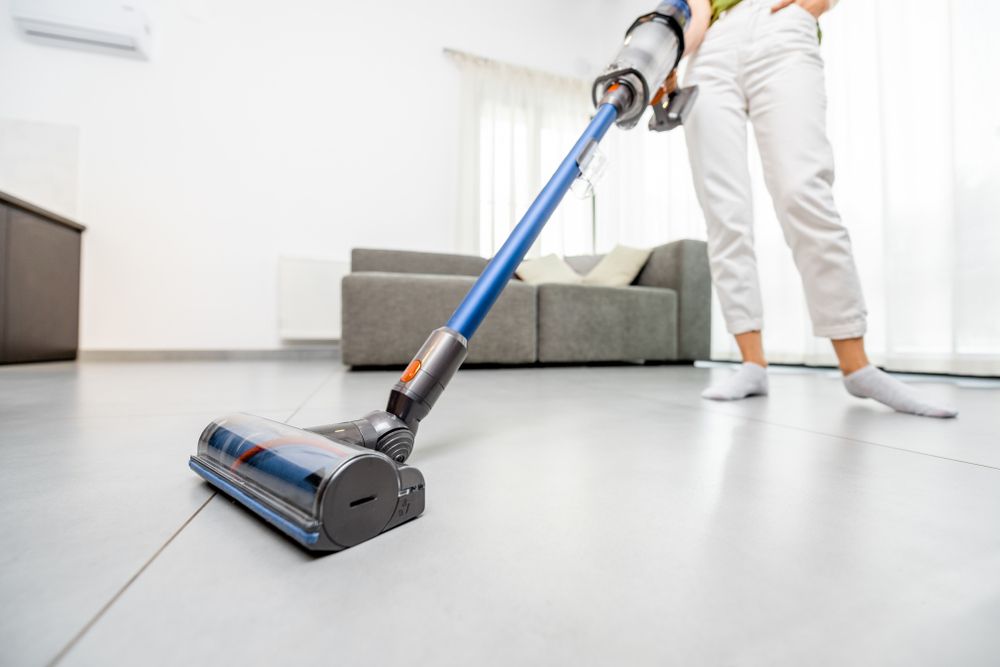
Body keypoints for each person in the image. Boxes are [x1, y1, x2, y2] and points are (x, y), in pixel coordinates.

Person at [675, 0, 956, 417]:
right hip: (711, 50)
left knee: (801, 189)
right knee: (723, 210)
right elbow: (698, 13)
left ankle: (857, 366)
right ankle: (752, 363)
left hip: (780, 25)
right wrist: (666, 60)